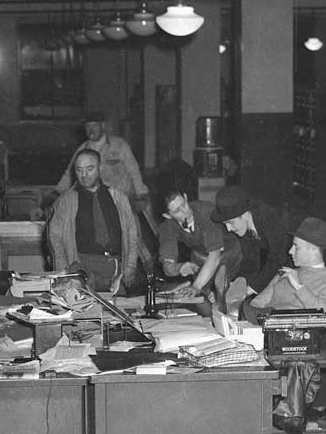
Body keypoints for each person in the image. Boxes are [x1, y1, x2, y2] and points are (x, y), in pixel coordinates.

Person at [242, 216, 326, 433]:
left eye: (295, 247)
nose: (290, 252)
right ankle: (281, 415)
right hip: (269, 339)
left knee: (299, 361)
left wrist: (298, 286)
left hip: (302, 345)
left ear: (314, 250)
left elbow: (323, 315)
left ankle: (288, 414)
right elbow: (257, 306)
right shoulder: (283, 275)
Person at [45, 148, 142, 295]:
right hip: (82, 270)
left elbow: (132, 233)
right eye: (79, 170)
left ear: (100, 168)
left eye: (90, 169)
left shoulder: (119, 198)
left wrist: (130, 266)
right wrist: (65, 273)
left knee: (118, 313)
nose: (84, 175)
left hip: (116, 271)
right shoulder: (64, 202)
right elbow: (55, 239)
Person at [209, 186, 295, 307]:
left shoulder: (269, 217)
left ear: (244, 214)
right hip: (281, 269)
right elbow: (250, 262)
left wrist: (249, 290)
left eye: (231, 223)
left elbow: (277, 259)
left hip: (300, 266)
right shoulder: (244, 226)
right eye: (225, 224)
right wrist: (232, 287)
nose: (228, 229)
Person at [156, 189, 243, 309]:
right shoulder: (167, 227)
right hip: (202, 258)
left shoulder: (205, 212)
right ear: (168, 216)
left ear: (186, 198)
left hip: (231, 255)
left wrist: (196, 286)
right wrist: (179, 268)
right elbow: (167, 267)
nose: (185, 211)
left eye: (183, 204)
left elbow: (215, 255)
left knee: (229, 301)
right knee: (205, 303)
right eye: (177, 211)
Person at [52, 118, 148, 206]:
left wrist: (140, 195)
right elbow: (69, 174)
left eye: (95, 125)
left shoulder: (120, 145)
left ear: (103, 125)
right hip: (97, 202)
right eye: (88, 126)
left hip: (122, 200)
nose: (91, 129)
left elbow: (134, 171)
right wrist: (56, 193)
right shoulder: (82, 149)